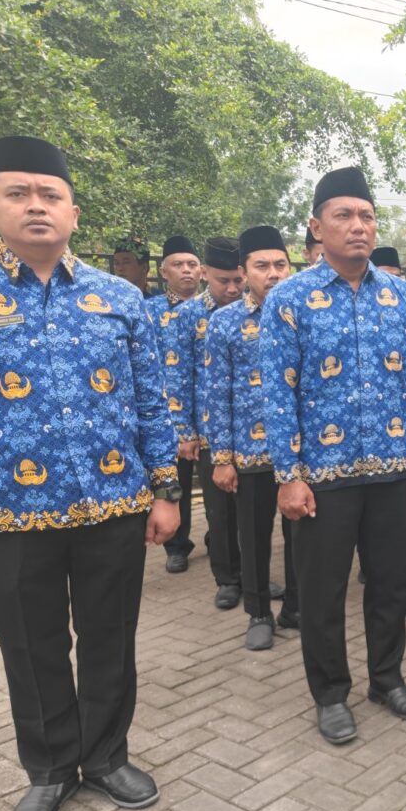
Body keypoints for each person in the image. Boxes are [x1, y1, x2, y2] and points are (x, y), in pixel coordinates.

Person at [0, 136, 180, 811]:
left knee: (109, 637)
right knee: (31, 648)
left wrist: (165, 489)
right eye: (18, 193)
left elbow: (151, 403)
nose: (36, 205)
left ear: (73, 212)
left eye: (50, 194)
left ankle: (107, 756)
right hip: (8, 512)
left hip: (113, 504)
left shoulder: (119, 297)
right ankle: (51, 769)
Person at [261, 166, 406, 745]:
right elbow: (277, 394)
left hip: (393, 469)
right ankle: (331, 694)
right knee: (323, 592)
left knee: (391, 584)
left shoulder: (402, 298)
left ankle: (387, 679)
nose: (358, 225)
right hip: (322, 477)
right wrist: (289, 475)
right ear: (317, 228)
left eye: (366, 215)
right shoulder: (290, 300)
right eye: (344, 215)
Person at [204, 226, 300, 649]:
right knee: (255, 536)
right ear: (244, 272)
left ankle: (296, 606)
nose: (273, 273)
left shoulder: (304, 314)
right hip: (250, 449)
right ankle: (259, 612)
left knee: (301, 536)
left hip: (300, 451)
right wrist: (222, 457)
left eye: (280, 264)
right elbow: (216, 393)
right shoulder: (225, 323)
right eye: (262, 265)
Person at [173, 237, 247, 608]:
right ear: (205, 274)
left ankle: (254, 575)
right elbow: (178, 376)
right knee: (220, 510)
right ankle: (228, 579)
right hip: (209, 430)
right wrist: (185, 432)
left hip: (251, 428)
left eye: (237, 280)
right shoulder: (188, 315)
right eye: (223, 281)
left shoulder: (255, 312)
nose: (232, 288)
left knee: (249, 511)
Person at [144, 235, 201, 572]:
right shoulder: (150, 311)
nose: (186, 270)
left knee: (220, 488)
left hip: (208, 412)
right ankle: (177, 546)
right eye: (178, 265)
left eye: (192, 264)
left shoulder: (215, 309)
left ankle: (220, 541)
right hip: (167, 414)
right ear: (164, 272)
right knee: (175, 482)